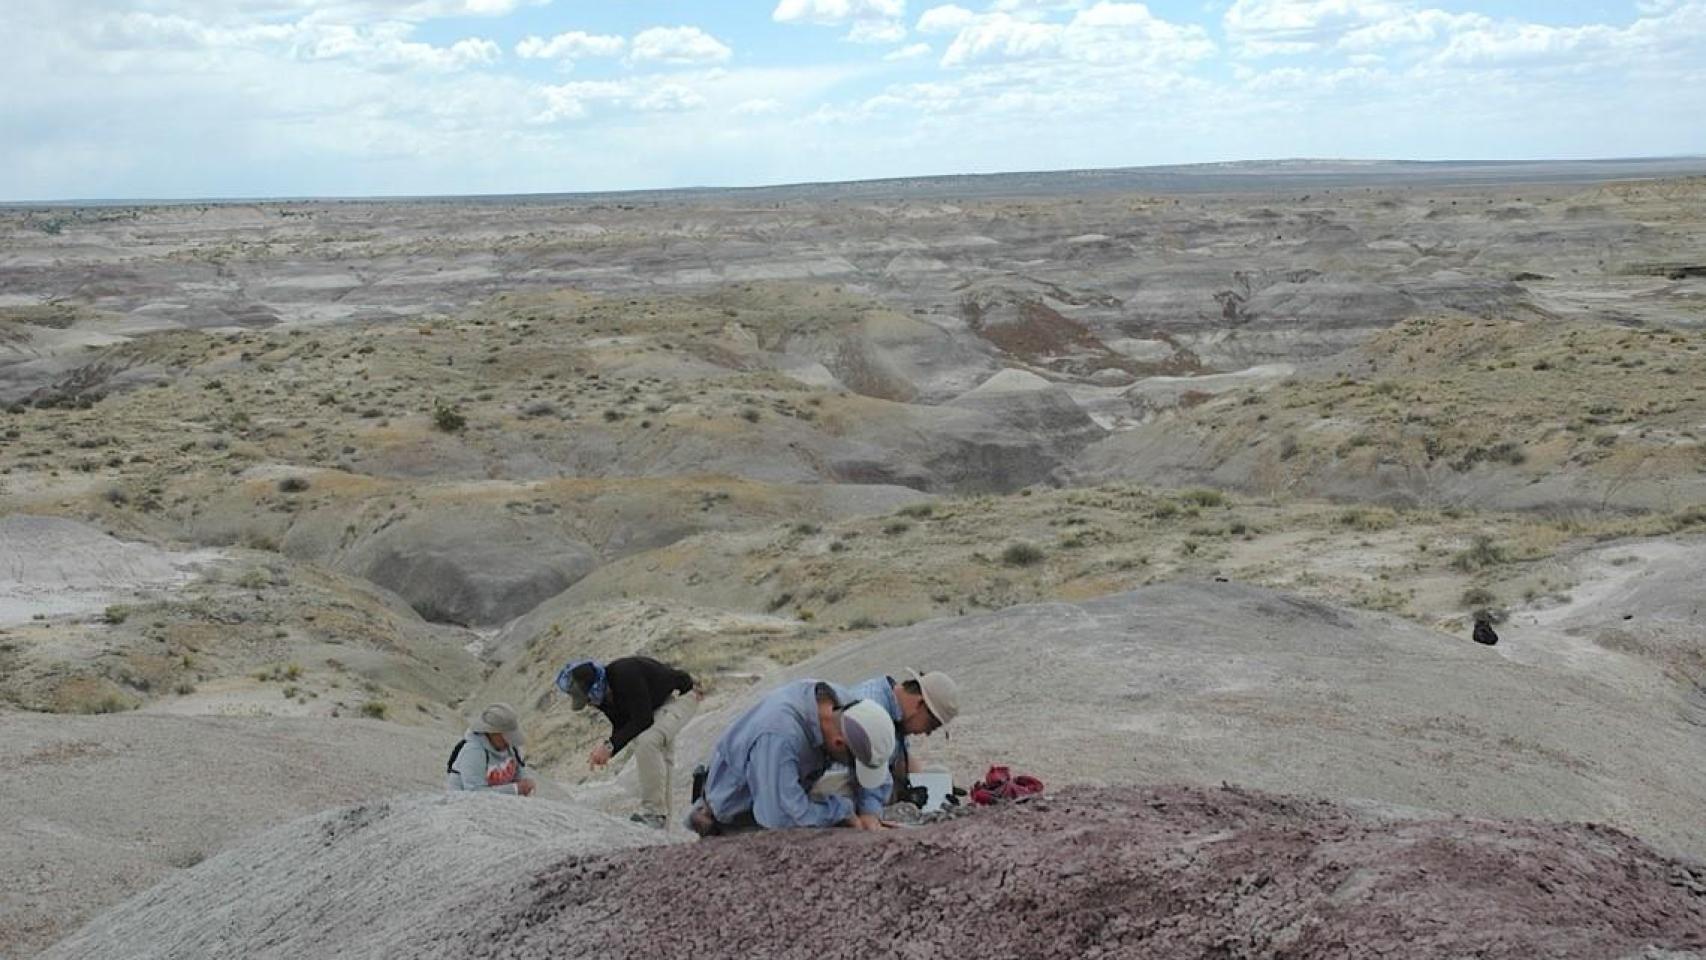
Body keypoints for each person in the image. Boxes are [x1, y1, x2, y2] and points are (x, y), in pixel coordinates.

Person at [686, 680, 894, 836]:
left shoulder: (846, 707)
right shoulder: (780, 737)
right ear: (839, 743)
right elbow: (779, 817)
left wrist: (869, 811)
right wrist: (842, 812)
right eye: (854, 763)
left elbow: (875, 764)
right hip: (736, 818)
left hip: (787, 792)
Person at [556, 656, 701, 828]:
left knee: (648, 741)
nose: (589, 705)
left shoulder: (624, 673)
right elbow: (622, 726)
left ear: (596, 687)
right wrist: (607, 748)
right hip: (656, 707)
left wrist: (609, 747)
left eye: (587, 699)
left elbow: (643, 720)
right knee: (660, 758)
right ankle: (662, 826)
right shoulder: (603, 698)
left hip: (681, 695)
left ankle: (654, 814)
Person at [832, 669, 961, 825]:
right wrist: (870, 816)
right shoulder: (874, 706)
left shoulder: (897, 709)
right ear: (919, 704)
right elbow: (870, 771)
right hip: (839, 778)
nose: (927, 733)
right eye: (931, 726)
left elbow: (900, 758)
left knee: (939, 773)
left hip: (870, 775)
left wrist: (937, 788)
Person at [445, 702, 536, 796]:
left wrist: (526, 784)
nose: (509, 742)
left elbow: (520, 773)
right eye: (506, 736)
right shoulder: (473, 751)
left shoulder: (511, 748)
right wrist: (515, 789)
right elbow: (474, 792)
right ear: (492, 733)